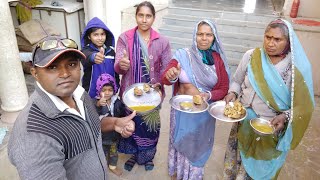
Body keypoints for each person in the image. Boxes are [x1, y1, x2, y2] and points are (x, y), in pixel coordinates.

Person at [8, 36, 136, 180]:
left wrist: (114, 123)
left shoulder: (80, 94)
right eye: (52, 67)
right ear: (35, 73)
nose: (65, 74)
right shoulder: (34, 134)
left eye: (72, 64)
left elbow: (87, 126)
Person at [223, 19, 315, 179]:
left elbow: (304, 108)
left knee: (259, 171)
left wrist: (285, 116)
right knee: (237, 162)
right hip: (242, 123)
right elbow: (237, 81)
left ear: (288, 42)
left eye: (277, 39)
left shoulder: (295, 70)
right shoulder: (251, 56)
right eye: (268, 37)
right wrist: (232, 93)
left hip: (269, 129)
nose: (270, 43)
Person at [161, 20, 230, 180]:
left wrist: (208, 95)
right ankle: (177, 174)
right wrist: (171, 75)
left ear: (214, 37)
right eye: (200, 34)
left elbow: (224, 88)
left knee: (197, 148)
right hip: (182, 113)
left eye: (208, 34)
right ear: (195, 35)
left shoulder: (217, 59)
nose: (204, 38)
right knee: (180, 144)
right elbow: (166, 76)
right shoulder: (182, 55)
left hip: (203, 116)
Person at [114, 1, 172, 171]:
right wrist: (122, 65)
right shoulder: (125, 38)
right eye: (141, 15)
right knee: (132, 125)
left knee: (149, 128)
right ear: (136, 16)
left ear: (154, 18)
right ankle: (134, 154)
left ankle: (147, 157)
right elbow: (118, 64)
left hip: (152, 97)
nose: (144, 20)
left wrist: (167, 78)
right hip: (130, 95)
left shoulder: (162, 41)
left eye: (148, 16)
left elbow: (166, 70)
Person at [94, 74, 126, 176]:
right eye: (104, 90)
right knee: (101, 154)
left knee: (113, 153)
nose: (107, 93)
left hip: (114, 136)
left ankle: (112, 166)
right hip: (101, 137)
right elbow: (92, 115)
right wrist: (98, 105)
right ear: (99, 90)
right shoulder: (95, 102)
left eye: (110, 89)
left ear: (114, 89)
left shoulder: (117, 102)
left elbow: (122, 114)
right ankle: (101, 167)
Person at [80, 17, 119, 98]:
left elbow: (116, 73)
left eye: (102, 34)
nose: (100, 38)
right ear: (89, 37)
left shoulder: (111, 51)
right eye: (96, 35)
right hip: (92, 94)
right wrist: (93, 57)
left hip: (109, 93)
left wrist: (117, 86)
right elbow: (86, 57)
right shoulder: (86, 51)